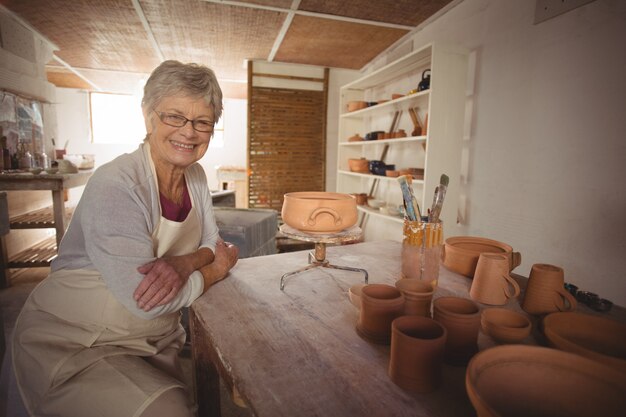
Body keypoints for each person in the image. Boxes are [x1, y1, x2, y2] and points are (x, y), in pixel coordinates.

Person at [12, 60, 239, 417]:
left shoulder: (195, 176)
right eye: (174, 116)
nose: (189, 132)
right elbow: (146, 301)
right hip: (80, 339)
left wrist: (184, 263)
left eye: (202, 122)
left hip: (150, 337)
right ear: (148, 115)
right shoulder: (116, 185)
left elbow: (212, 242)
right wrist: (213, 270)